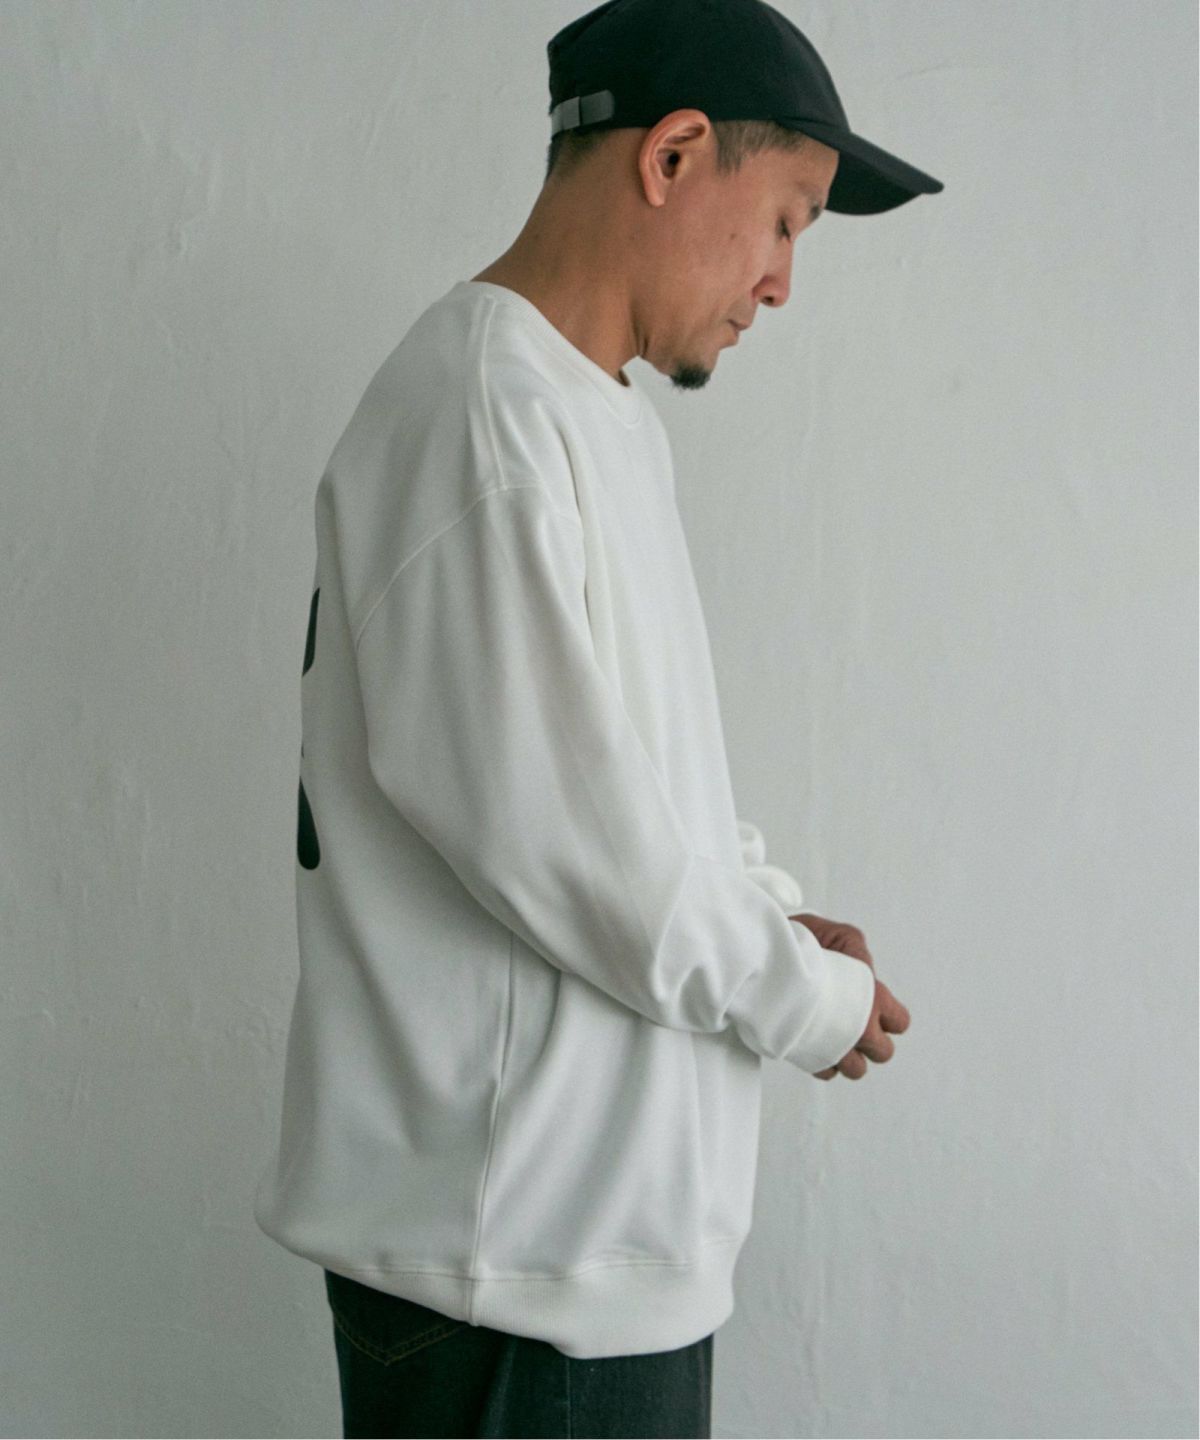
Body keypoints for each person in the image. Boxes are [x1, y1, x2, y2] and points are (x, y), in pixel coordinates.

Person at [253, 1, 940, 1434]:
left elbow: (635, 799)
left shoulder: (583, 416)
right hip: (515, 1289)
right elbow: (571, 850)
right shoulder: (479, 415)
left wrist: (770, 916)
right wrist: (803, 1001)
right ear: (673, 155)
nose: (783, 283)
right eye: (787, 219)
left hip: (576, 1267)